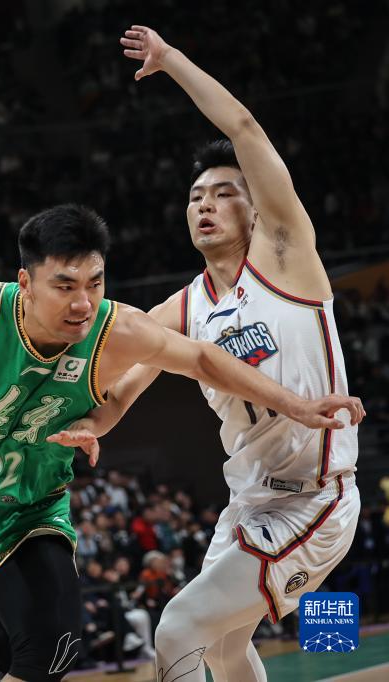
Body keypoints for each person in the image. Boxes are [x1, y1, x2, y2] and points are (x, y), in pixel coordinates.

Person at [0, 204, 362, 682]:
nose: (83, 302)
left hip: (27, 509)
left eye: (95, 283)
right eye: (64, 286)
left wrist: (295, 404)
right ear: (26, 282)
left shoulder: (116, 331)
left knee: (54, 646)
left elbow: (200, 357)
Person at [63, 26, 365, 682]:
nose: (205, 204)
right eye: (195, 197)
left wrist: (170, 60)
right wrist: (89, 421)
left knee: (178, 626)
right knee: (226, 648)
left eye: (223, 193)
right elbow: (118, 389)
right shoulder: (183, 308)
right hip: (246, 501)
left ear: (257, 210)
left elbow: (244, 128)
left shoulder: (284, 255)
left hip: (312, 499)